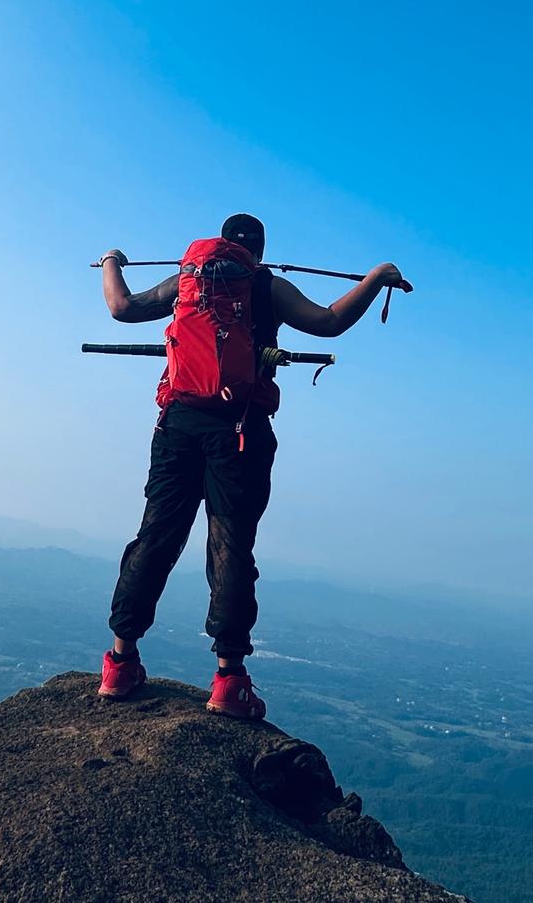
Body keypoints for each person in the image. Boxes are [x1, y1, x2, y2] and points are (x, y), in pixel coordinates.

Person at [96, 213, 403, 719]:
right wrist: (377, 277)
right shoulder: (266, 286)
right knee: (231, 546)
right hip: (240, 431)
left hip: (178, 425)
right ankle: (228, 679)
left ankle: (120, 662)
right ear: (258, 250)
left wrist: (111, 260)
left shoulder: (187, 281)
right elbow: (329, 322)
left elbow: (121, 308)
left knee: (155, 537)